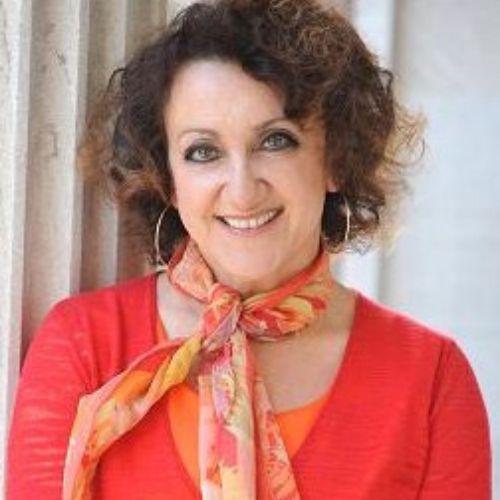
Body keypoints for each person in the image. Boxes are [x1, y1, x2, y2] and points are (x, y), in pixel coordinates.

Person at [7, 0, 491, 499]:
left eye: (276, 141)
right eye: (203, 152)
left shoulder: (430, 378)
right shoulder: (84, 346)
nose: (241, 191)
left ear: (337, 160)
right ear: (167, 179)